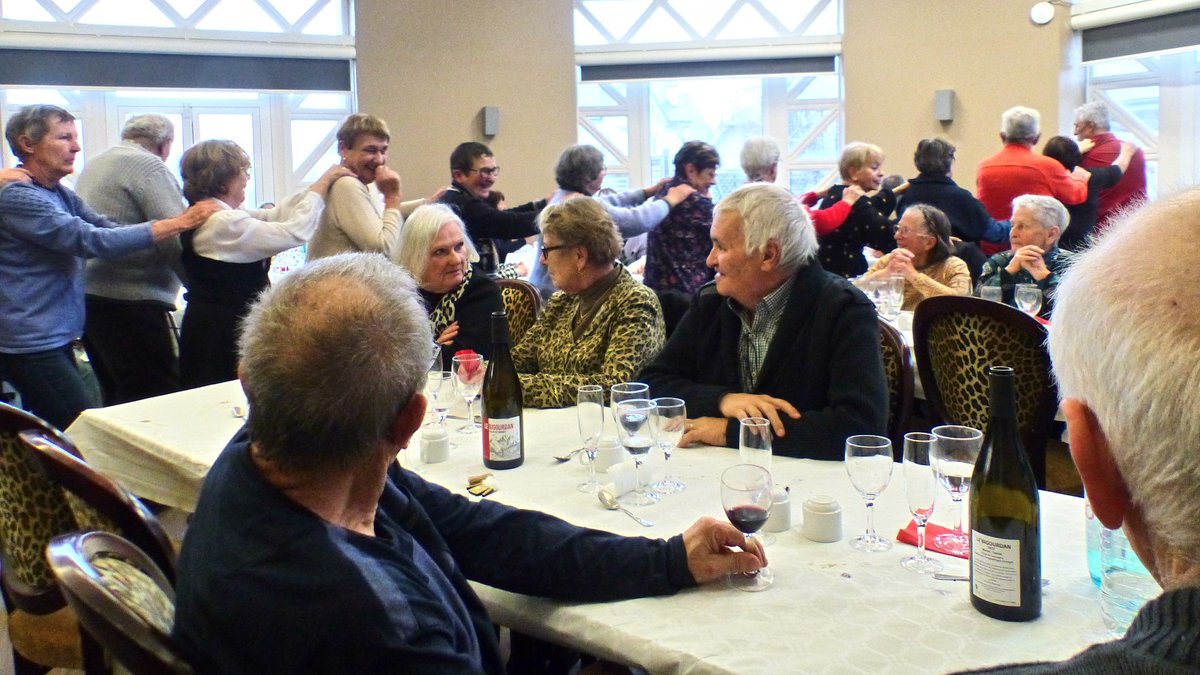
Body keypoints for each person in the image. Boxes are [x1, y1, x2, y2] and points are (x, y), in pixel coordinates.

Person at [171, 252, 764, 673]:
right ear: (408, 423)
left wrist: (665, 560)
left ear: (249, 386)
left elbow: (485, 532)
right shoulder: (379, 627)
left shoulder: (269, 460)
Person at [964, 190, 1200, 674]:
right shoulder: (1002, 263)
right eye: (1013, 224)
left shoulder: (1068, 268)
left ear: (1094, 463)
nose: (1015, 233)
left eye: (1025, 225)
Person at [0, 105, 216, 430]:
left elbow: (106, 227)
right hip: (31, 343)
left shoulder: (58, 192)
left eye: (75, 137)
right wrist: (178, 223)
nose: (76, 147)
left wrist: (163, 226)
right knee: (84, 433)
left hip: (53, 336)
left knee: (55, 433)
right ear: (27, 144)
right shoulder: (20, 197)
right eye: (64, 137)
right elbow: (92, 241)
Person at [640, 182, 888, 460]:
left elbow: (861, 427)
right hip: (718, 474)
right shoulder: (711, 302)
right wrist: (723, 400)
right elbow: (654, 383)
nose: (710, 260)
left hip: (810, 491)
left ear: (769, 255)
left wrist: (731, 431)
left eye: (720, 247)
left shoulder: (843, 309)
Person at [177, 140, 349, 388]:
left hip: (212, 324)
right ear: (224, 179)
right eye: (243, 172)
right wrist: (321, 187)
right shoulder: (222, 223)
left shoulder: (217, 215)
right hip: (220, 331)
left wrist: (317, 188)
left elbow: (272, 215)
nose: (247, 179)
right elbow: (296, 231)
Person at [74, 113, 188, 405]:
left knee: (117, 395)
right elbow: (174, 231)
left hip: (91, 297)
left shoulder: (97, 163)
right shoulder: (147, 165)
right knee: (154, 395)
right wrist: (199, 285)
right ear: (165, 146)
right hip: (131, 300)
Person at [514, 197, 665, 408]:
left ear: (580, 255)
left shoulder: (635, 302)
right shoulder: (562, 301)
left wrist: (512, 386)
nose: (542, 260)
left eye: (547, 250)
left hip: (608, 435)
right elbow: (517, 361)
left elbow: (614, 388)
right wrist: (484, 371)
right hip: (552, 430)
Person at [528, 143, 694, 298]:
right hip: (556, 293)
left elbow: (610, 201)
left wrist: (646, 193)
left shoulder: (563, 196)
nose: (604, 172)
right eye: (602, 168)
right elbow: (638, 221)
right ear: (588, 176)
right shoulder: (579, 206)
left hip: (544, 287)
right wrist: (670, 200)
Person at [306, 113, 431, 260]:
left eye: (383, 151)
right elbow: (385, 251)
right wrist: (392, 197)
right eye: (370, 150)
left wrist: (427, 203)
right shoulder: (346, 185)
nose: (379, 159)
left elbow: (378, 213)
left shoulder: (365, 183)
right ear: (343, 148)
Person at [392, 204, 503, 368]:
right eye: (441, 252)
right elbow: (388, 359)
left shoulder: (482, 293)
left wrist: (427, 349)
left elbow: (462, 365)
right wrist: (433, 348)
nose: (457, 259)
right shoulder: (401, 293)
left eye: (459, 246)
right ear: (416, 256)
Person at [976, 106, 1088, 255]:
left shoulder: (984, 166)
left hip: (990, 250)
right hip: (1033, 251)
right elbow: (1075, 196)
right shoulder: (1047, 166)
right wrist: (1080, 179)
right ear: (1036, 138)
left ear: (1002, 136)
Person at [440, 141, 545, 275]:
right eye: (485, 172)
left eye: (494, 171)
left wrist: (543, 204)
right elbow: (507, 223)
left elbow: (500, 216)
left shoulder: (460, 198)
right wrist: (557, 214)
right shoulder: (461, 204)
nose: (491, 179)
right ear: (459, 175)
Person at [896, 138, 1008, 247]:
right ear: (949, 162)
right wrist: (1017, 224)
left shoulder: (906, 196)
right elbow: (995, 233)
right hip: (959, 262)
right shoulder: (961, 198)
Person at [739, 136, 860, 237]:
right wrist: (846, 202)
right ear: (772, 168)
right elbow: (820, 222)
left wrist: (817, 195)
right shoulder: (775, 199)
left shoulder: (740, 196)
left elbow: (794, 205)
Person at [643, 140, 720, 295]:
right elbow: (719, 244)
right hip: (687, 297)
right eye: (709, 174)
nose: (713, 181)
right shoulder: (697, 203)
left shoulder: (663, 192)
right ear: (691, 170)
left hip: (654, 293)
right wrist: (709, 203)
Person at [859, 204, 971, 311]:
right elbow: (855, 290)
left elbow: (958, 304)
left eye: (905, 230)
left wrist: (913, 276)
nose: (896, 236)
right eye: (898, 228)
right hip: (891, 330)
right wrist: (886, 273)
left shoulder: (954, 266)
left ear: (929, 242)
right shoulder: (890, 260)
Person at [812, 142, 898, 278]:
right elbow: (883, 234)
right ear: (853, 173)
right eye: (874, 168)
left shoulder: (835, 193)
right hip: (843, 279)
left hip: (825, 274)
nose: (881, 173)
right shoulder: (855, 200)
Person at [976, 194, 1069, 319]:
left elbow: (1073, 311)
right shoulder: (1000, 261)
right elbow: (975, 306)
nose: (1013, 233)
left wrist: (1044, 277)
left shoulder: (1071, 265)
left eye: (1022, 226)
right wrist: (1007, 274)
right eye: (1012, 225)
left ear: (1051, 235)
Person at [1042, 135, 1136, 252]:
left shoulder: (1041, 179)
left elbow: (1053, 165)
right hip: (1079, 250)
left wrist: (1077, 150)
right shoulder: (1089, 176)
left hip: (1047, 246)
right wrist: (1127, 151)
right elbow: (1118, 169)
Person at [1074, 100, 1148, 232]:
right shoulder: (1136, 152)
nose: (1074, 132)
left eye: (1077, 126)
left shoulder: (1084, 157)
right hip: (1137, 228)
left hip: (1101, 235)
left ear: (1090, 126)